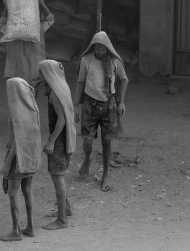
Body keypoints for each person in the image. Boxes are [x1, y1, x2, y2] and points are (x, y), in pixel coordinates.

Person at [74, 31, 129, 192]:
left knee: (107, 142)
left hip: (109, 104)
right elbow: (80, 82)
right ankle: (87, 158)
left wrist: (121, 102)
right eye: (97, 48)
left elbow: (124, 79)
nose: (99, 52)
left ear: (107, 48)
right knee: (87, 141)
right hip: (89, 104)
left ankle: (105, 175)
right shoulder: (86, 60)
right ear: (93, 47)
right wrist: (77, 106)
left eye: (102, 49)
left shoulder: (114, 61)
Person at [0, 77, 43, 241]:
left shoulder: (18, 112)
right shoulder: (31, 108)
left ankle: (16, 231)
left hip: (18, 158)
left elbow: (18, 142)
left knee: (13, 193)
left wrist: (7, 164)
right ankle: (30, 226)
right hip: (30, 156)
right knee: (27, 190)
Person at [39, 59, 76, 230]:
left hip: (59, 141)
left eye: (42, 73)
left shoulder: (55, 94)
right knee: (58, 175)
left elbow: (61, 120)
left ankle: (62, 220)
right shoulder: (62, 87)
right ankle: (66, 209)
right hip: (65, 138)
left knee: (57, 177)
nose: (40, 76)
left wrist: (51, 142)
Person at [0, 0, 54, 92]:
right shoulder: (38, 29)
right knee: (31, 103)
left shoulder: (11, 30)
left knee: (21, 103)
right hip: (32, 76)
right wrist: (42, 3)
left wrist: (7, 8)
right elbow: (50, 18)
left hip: (17, 76)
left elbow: (2, 23)